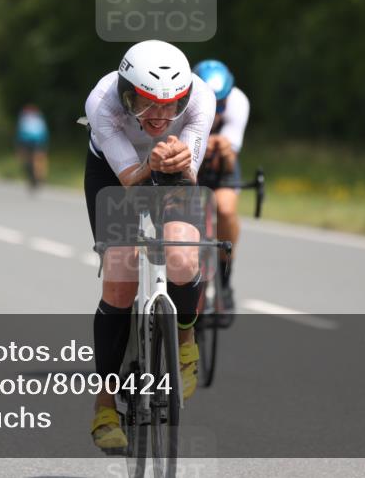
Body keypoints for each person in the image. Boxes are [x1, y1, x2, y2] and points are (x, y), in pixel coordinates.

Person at [83, 40, 216, 453]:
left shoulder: (201, 99)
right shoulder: (102, 102)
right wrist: (153, 163)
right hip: (114, 172)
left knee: (180, 255)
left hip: (173, 168)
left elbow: (188, 173)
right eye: (146, 104)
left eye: (171, 105)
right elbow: (129, 179)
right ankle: (105, 406)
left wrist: (177, 161)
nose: (160, 116)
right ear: (126, 94)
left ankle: (185, 339)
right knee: (120, 280)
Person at [192, 59, 250, 314]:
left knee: (225, 209)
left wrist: (222, 149)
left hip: (220, 162)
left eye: (221, 104)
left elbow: (229, 157)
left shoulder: (238, 101)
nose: (215, 111)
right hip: (189, 155)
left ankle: (225, 279)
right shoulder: (183, 101)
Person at [16, 104, 49, 189]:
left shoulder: (24, 118)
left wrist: (19, 144)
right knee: (37, 160)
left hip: (27, 141)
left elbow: (20, 131)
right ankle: (38, 177)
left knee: (29, 160)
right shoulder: (38, 118)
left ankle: (35, 177)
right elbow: (44, 131)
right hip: (38, 141)